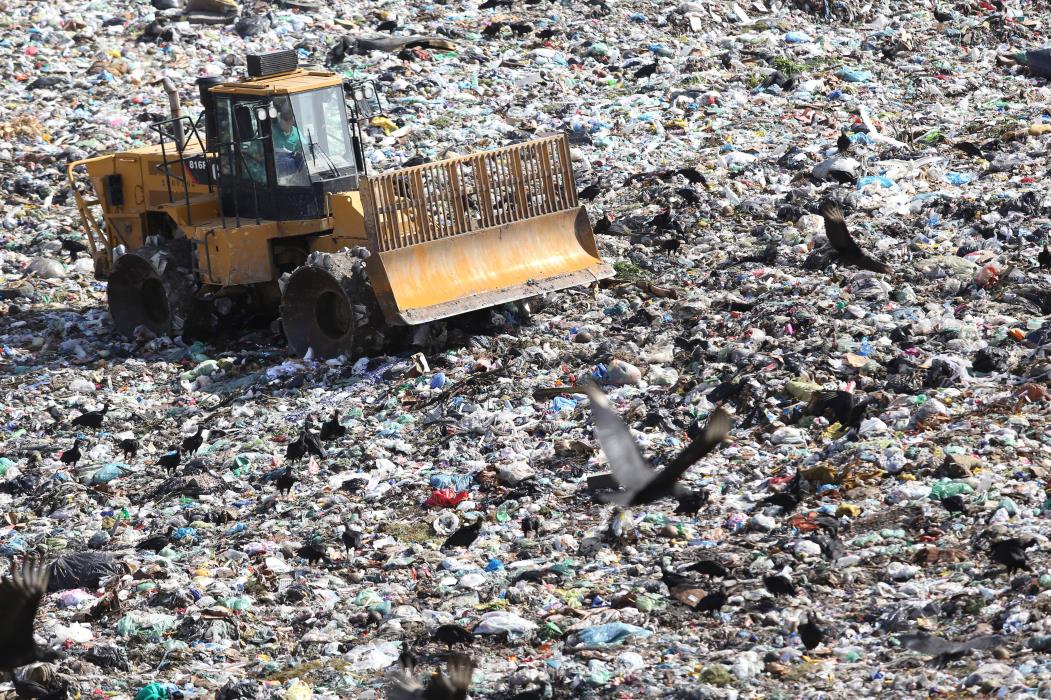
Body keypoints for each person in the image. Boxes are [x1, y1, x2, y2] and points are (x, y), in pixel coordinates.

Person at [273, 106, 304, 176]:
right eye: (280, 123)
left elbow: (305, 149)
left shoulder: (297, 134)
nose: (281, 126)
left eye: (283, 124)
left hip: (291, 170)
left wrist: (298, 153)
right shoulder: (273, 130)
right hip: (275, 164)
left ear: (291, 122)